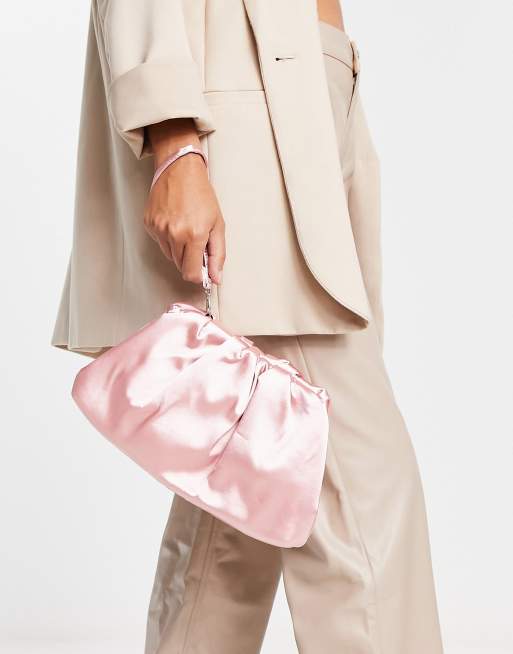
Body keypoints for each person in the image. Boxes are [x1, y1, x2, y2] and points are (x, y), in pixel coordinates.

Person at [52, 1, 445, 652]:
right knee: (362, 504)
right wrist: (174, 140)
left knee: (241, 514)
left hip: (310, 89)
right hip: (242, 107)